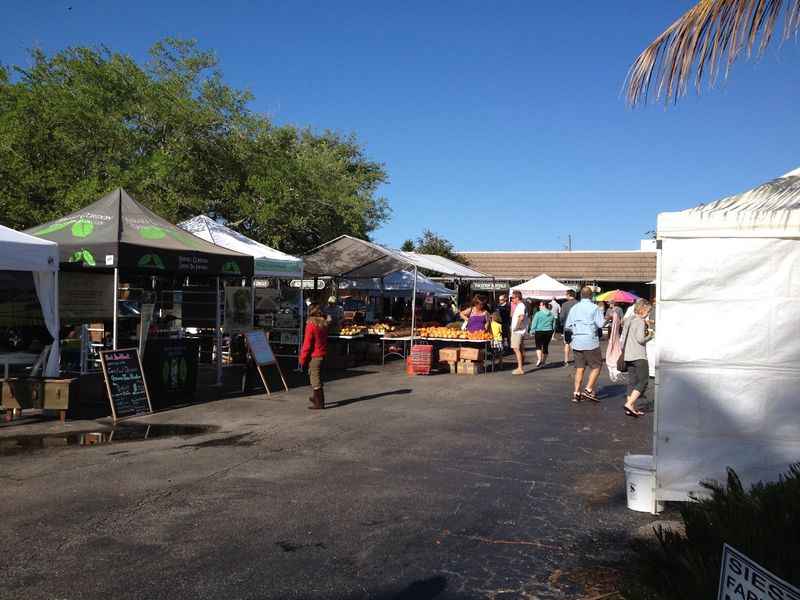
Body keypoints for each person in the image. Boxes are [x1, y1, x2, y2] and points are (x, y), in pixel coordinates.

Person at [564, 286, 606, 403]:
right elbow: (600, 324)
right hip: (590, 341)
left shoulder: (574, 308)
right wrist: (607, 317)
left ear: (581, 295)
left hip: (577, 341)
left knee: (579, 368)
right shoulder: (594, 308)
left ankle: (576, 393)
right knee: (597, 366)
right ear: (591, 296)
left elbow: (568, 326)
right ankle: (588, 389)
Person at [621, 299, 655, 417]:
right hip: (639, 355)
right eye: (648, 311)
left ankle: (631, 407)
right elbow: (640, 339)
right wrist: (651, 335)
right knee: (644, 381)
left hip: (628, 355)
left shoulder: (628, 320)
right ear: (642, 309)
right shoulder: (640, 321)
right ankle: (629, 404)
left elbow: (623, 338)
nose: (648, 313)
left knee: (632, 382)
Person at [300, 303, 329, 410]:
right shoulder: (324, 324)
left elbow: (307, 344)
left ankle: (319, 402)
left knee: (315, 379)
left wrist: (302, 359)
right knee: (318, 378)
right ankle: (316, 398)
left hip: (315, 356)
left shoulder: (311, 325)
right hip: (323, 354)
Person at [529, 300, 556, 367]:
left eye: (540, 305)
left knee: (538, 346)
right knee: (545, 346)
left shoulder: (538, 314)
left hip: (539, 331)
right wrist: (552, 330)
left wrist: (532, 330)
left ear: (544, 306)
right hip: (549, 331)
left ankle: (539, 359)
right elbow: (554, 324)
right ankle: (543, 362)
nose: (539, 306)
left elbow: (534, 323)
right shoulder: (551, 314)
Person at [509, 290, 528, 375]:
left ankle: (520, 368)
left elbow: (521, 317)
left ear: (517, 298)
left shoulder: (520, 306)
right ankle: (520, 367)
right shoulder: (520, 305)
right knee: (519, 348)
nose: (511, 300)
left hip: (518, 331)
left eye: (512, 298)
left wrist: (516, 327)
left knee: (516, 348)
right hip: (519, 331)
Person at [560, 289, 578, 366]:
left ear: (569, 295)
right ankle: (576, 360)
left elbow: (562, 316)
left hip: (567, 327)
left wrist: (562, 323)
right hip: (577, 327)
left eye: (566, 295)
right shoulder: (579, 303)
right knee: (576, 344)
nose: (565, 296)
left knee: (567, 343)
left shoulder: (564, 305)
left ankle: (566, 361)